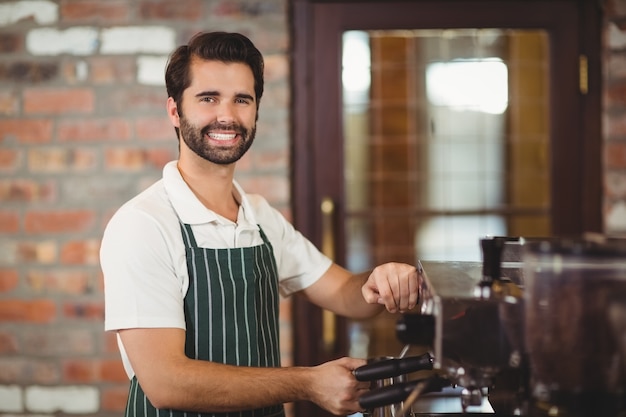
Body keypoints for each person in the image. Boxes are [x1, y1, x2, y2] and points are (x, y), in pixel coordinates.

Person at [100, 31, 421, 417]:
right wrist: (307, 382)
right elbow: (166, 382)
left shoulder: (259, 216)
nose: (227, 115)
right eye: (208, 98)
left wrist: (378, 282)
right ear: (174, 110)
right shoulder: (143, 224)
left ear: (255, 111)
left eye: (242, 99)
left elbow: (345, 293)